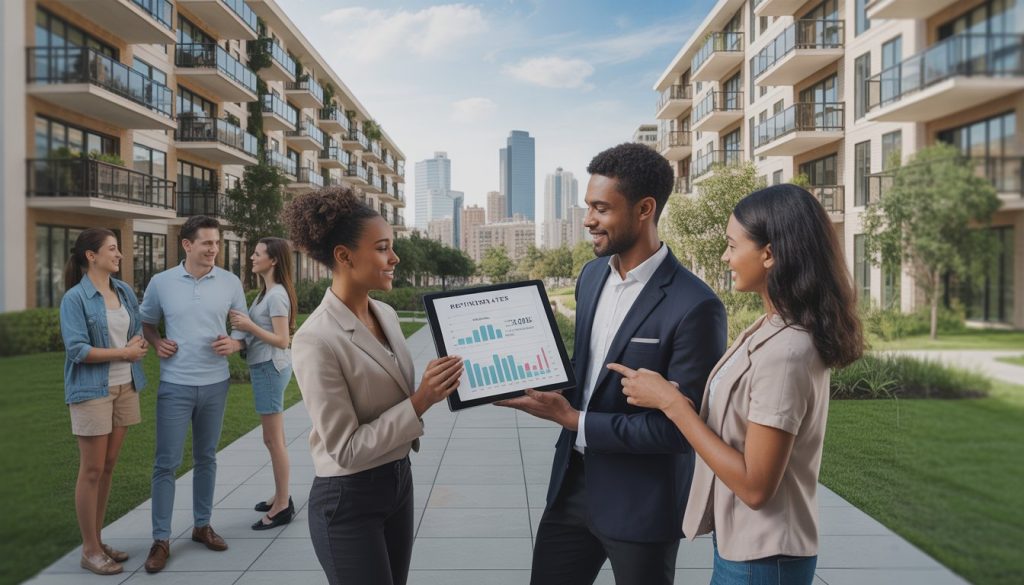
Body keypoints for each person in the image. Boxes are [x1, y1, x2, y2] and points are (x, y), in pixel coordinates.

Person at [609, 184, 864, 585]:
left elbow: (755, 486)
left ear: (769, 253)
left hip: (764, 557)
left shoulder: (787, 352)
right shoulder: (772, 327)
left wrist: (671, 405)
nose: (725, 256)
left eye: (732, 245)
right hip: (746, 547)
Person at [498, 143, 727, 585]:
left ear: (645, 209)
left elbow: (681, 430)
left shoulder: (696, 306)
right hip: (571, 489)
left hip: (641, 504)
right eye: (587, 207)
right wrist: (528, 378)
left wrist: (573, 420)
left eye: (601, 209)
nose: (588, 220)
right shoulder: (591, 276)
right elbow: (585, 373)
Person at [284, 186, 464, 585]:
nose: (394, 258)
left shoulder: (385, 313)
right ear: (344, 256)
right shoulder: (316, 339)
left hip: (398, 481)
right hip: (347, 499)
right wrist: (420, 401)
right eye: (383, 248)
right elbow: (345, 449)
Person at [139, 215, 248, 573]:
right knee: (165, 463)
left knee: (207, 458)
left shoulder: (230, 282)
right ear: (187, 245)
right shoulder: (162, 282)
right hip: (175, 385)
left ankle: (202, 526)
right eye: (207, 243)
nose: (214, 249)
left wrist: (235, 343)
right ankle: (161, 539)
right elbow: (147, 322)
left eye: (216, 243)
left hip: (216, 383)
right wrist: (157, 343)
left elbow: (242, 328)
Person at [60, 228, 148, 576]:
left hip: (125, 386)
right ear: (91, 256)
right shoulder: (75, 299)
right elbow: (77, 349)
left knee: (109, 466)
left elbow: (136, 327)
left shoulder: (123, 290)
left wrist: (137, 344)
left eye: (118, 249)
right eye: (112, 249)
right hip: (92, 390)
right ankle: (89, 549)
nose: (119, 255)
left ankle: (97, 540)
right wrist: (124, 352)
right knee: (92, 469)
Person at [228, 237, 298, 530]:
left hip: (271, 367)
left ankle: (282, 505)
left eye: (257, 254)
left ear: (273, 261)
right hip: (264, 365)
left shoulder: (277, 295)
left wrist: (249, 326)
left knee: (273, 440)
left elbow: (282, 340)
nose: (252, 258)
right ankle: (280, 496)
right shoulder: (264, 293)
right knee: (274, 439)